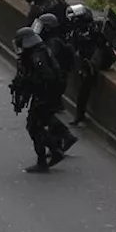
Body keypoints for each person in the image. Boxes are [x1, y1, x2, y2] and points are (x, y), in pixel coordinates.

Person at [11, 26, 67, 172]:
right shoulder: (38, 52)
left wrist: (29, 82)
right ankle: (54, 151)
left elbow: (46, 77)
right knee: (36, 126)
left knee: (34, 127)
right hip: (45, 96)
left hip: (44, 97)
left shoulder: (37, 57)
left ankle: (48, 156)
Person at [33, 14, 78, 153]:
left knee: (45, 113)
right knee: (47, 112)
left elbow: (48, 66)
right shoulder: (53, 41)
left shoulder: (53, 44)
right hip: (56, 82)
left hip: (54, 83)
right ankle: (60, 141)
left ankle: (63, 138)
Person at [65, 3, 108, 125]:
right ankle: (79, 115)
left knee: (84, 88)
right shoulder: (77, 31)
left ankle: (79, 115)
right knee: (83, 89)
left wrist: (91, 65)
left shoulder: (95, 29)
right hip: (85, 61)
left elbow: (101, 48)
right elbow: (73, 46)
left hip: (96, 62)